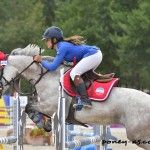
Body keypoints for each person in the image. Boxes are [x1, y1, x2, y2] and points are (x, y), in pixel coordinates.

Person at [34, 26, 103, 108]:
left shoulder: (62, 47)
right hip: (95, 54)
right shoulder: (61, 46)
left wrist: (41, 61)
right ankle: (86, 98)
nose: (46, 42)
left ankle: (85, 100)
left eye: (47, 40)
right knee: (80, 75)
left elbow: (53, 67)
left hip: (93, 55)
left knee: (74, 73)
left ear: (54, 40)